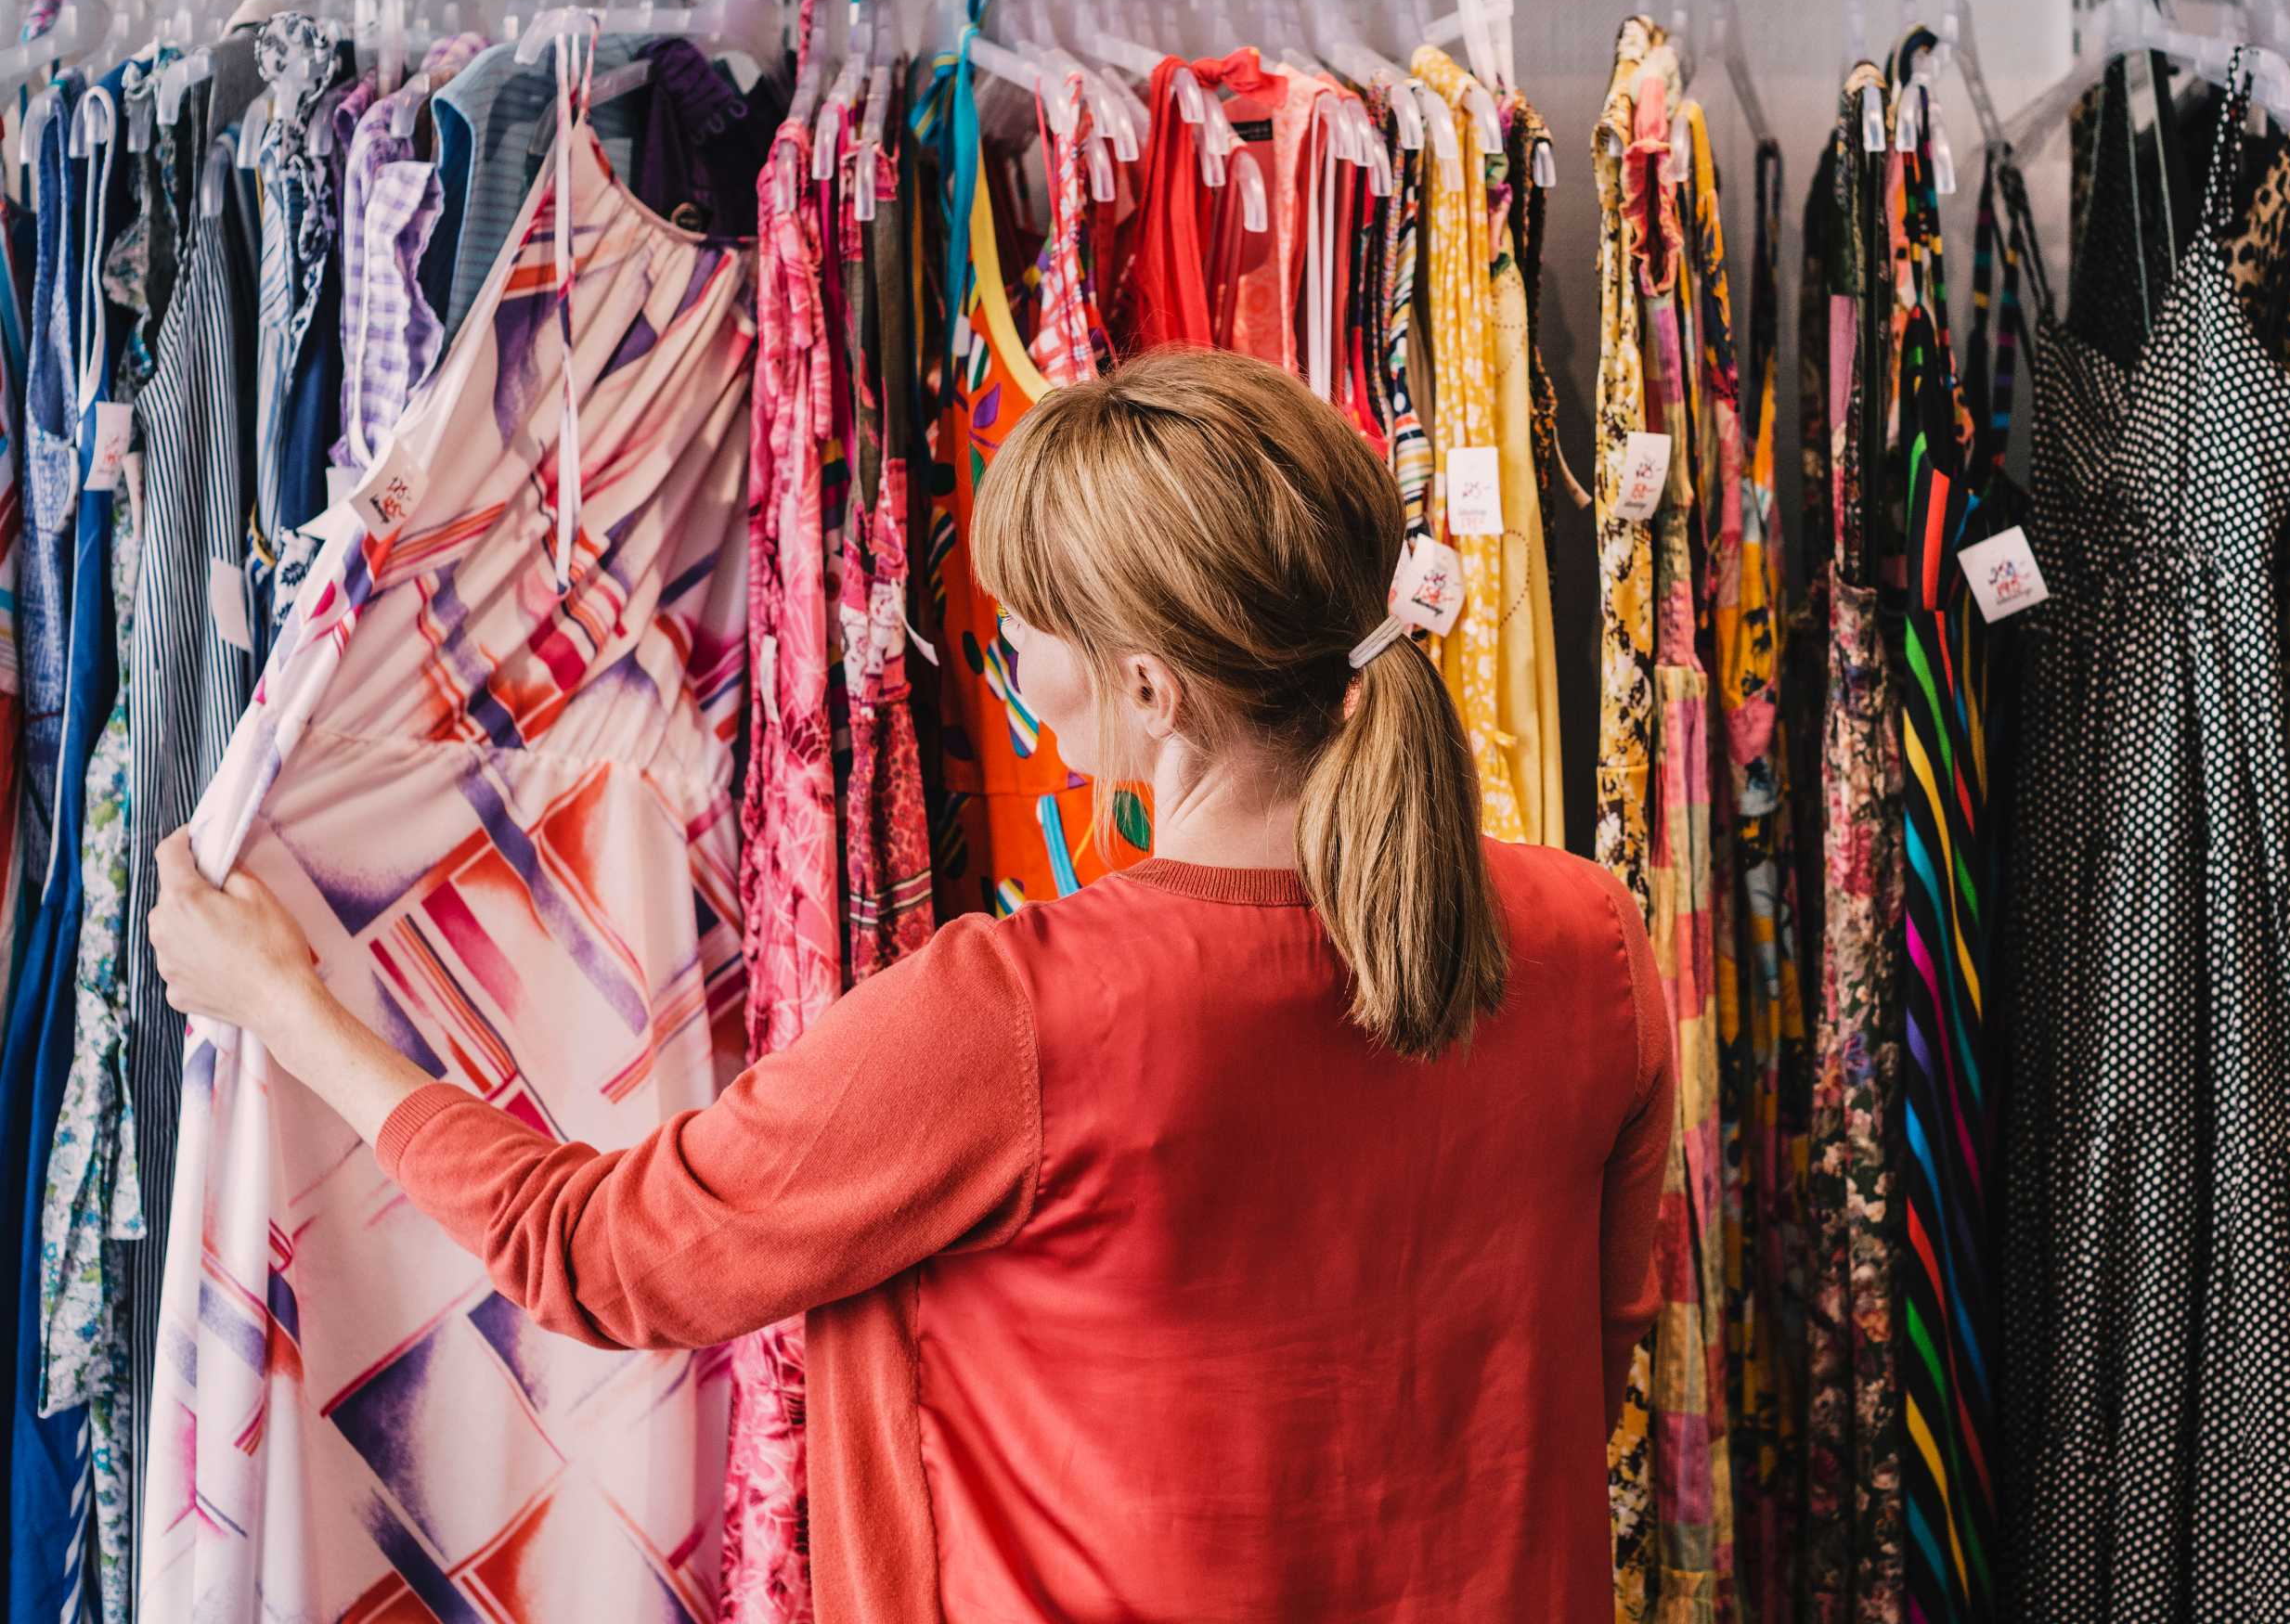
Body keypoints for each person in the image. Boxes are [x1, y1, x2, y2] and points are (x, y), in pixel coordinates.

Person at [149, 346, 1671, 1623]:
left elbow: (605, 1256)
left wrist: (293, 1012)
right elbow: (1576, 1377)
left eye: (1027, 633)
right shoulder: (1587, 941)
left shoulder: (1024, 1017)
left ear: (1151, 687)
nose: (1011, 666)